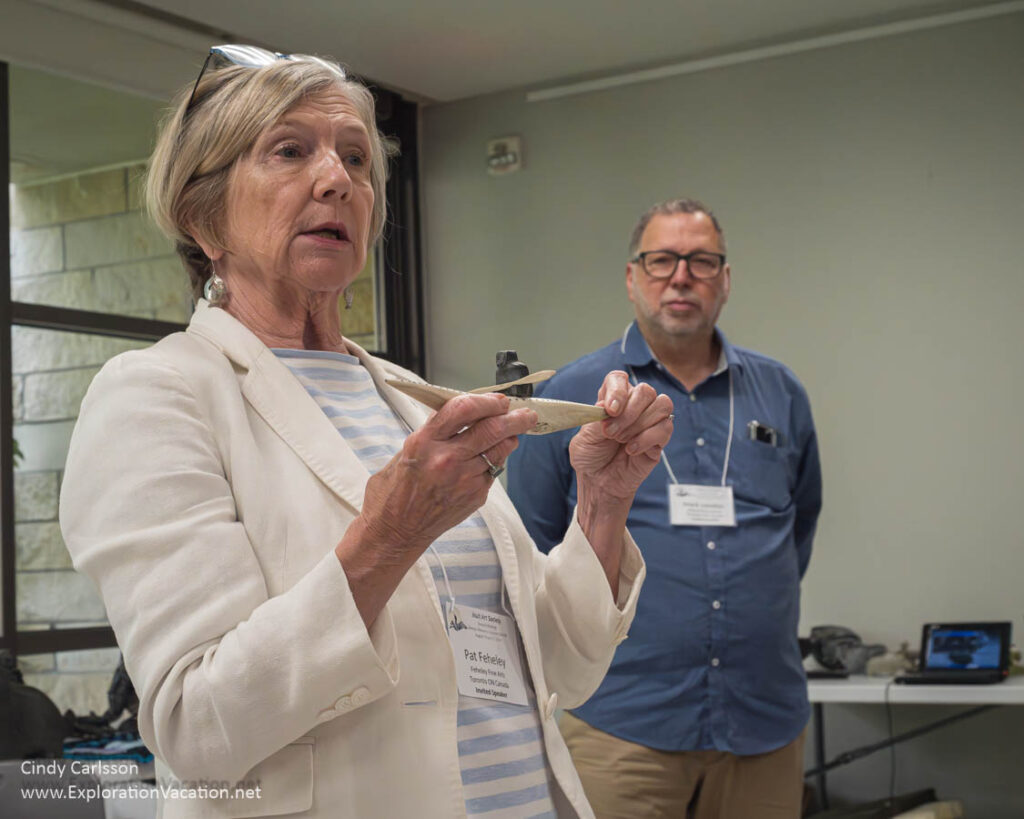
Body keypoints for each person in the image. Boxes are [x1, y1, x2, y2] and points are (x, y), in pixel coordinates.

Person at [58, 46, 674, 819]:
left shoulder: (410, 401)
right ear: (201, 216)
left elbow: (558, 668)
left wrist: (603, 507)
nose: (336, 179)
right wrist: (386, 539)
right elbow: (198, 725)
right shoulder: (156, 396)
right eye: (290, 150)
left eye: (355, 158)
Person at [508, 198, 822, 818]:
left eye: (702, 261)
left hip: (763, 726)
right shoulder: (573, 394)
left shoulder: (780, 392)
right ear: (632, 279)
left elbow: (798, 530)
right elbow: (530, 547)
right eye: (661, 261)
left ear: (724, 280)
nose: (681, 276)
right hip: (620, 724)